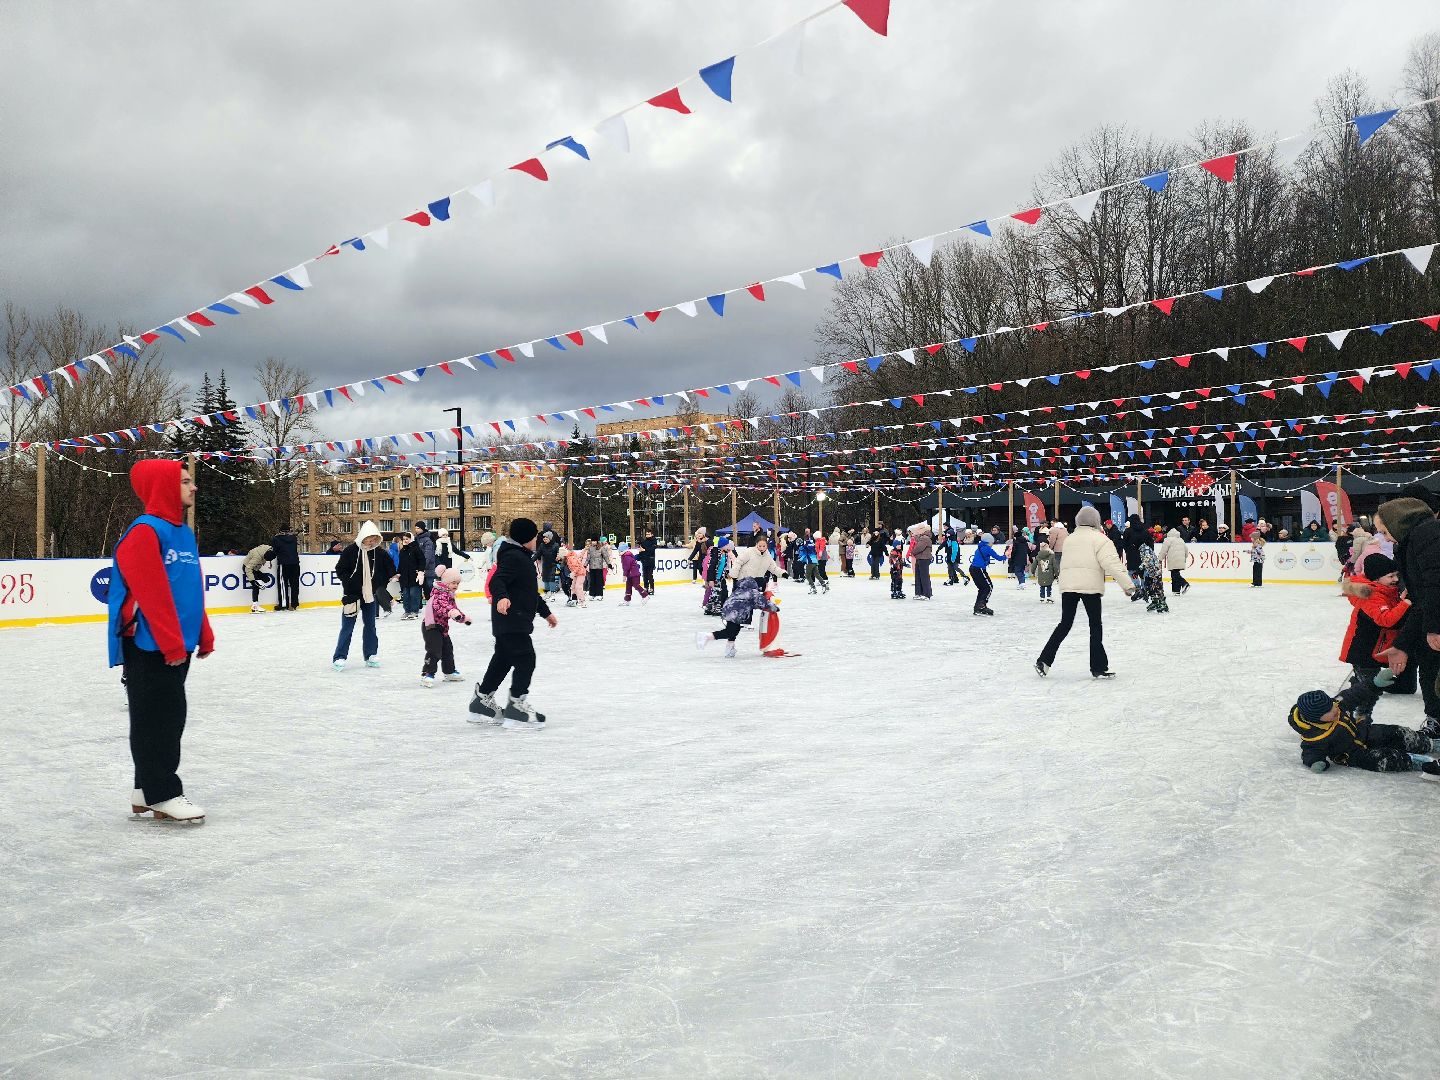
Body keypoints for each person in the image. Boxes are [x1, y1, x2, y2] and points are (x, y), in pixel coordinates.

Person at [110, 460, 214, 823]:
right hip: (149, 645)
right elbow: (151, 595)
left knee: (166, 718)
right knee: (159, 721)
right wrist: (171, 643)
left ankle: (144, 790)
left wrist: (203, 631)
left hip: (175, 644)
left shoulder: (183, 533)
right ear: (163, 487)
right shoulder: (144, 533)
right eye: (185, 481)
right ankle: (163, 793)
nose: (193, 486)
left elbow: (188, 591)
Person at [468, 518, 556, 726]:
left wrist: (546, 613)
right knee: (526, 658)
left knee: (503, 660)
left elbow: (530, 592)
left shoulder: (520, 556)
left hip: (511, 620)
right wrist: (501, 597)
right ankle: (516, 705)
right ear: (526, 538)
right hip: (511, 619)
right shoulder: (514, 556)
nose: (536, 539)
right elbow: (498, 580)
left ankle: (481, 701)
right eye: (534, 536)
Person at [1034, 506, 1134, 679]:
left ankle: (1044, 660)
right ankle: (1098, 667)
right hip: (1090, 587)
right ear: (1096, 521)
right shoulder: (1100, 540)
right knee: (1095, 626)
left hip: (1069, 586)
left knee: (1064, 624)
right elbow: (1112, 564)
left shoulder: (1070, 539)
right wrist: (1128, 585)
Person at [1374, 496, 1440, 736]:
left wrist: (1435, 627)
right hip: (1430, 617)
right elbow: (1421, 600)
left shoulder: (1427, 536)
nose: (1384, 536)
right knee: (1430, 665)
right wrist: (1402, 644)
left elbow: (1436, 583)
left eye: (1384, 530)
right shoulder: (1412, 541)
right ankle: (1436, 720)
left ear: (1398, 522)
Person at [1288, 672, 1437, 777]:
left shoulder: (1337, 705)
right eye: (1328, 711)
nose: (1334, 710)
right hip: (1351, 754)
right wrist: (1316, 762)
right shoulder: (1314, 737)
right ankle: (1413, 762)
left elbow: (1356, 692)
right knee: (1381, 759)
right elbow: (1310, 753)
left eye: (1332, 706)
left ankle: (1429, 744)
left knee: (1393, 732)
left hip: (1363, 732)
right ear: (1316, 718)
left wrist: (1375, 683)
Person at [332, 520, 395, 671]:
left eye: (374, 538)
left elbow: (390, 569)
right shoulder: (351, 551)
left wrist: (378, 583)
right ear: (363, 536)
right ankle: (339, 657)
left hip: (369, 596)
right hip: (352, 596)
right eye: (369, 538)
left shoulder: (379, 552)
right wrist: (349, 584)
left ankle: (371, 654)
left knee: (370, 626)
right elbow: (340, 569)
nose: (372, 541)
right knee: (347, 627)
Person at [1341, 554, 1411, 689]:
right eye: (1391, 576)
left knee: (1370, 683)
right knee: (1369, 689)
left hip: (1374, 648)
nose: (1396, 579)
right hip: (1363, 652)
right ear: (1376, 578)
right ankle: (1361, 708)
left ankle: (1358, 684)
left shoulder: (1386, 591)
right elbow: (1385, 620)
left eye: (1396, 575)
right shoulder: (1371, 596)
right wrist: (1405, 603)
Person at [695, 578, 780, 659]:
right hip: (735, 612)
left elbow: (751, 603)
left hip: (729, 609)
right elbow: (764, 603)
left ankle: (729, 649)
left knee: (734, 630)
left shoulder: (741, 589)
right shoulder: (753, 592)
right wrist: (776, 608)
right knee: (730, 632)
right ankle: (706, 636)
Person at [420, 567, 471, 687]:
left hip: (442, 627)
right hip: (431, 626)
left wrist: (463, 618)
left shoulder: (449, 594)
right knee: (434, 650)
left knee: (447, 650)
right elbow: (442, 607)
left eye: (457, 583)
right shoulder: (439, 594)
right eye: (453, 583)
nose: (456, 585)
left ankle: (449, 672)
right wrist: (452, 613)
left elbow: (455, 610)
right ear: (446, 582)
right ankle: (427, 673)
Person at [969, 531, 1005, 616]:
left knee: (982, 588)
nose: (992, 544)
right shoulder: (987, 548)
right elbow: (998, 558)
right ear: (988, 542)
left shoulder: (979, 547)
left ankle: (978, 607)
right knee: (989, 587)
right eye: (992, 542)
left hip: (973, 569)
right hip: (979, 569)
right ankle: (981, 606)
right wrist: (1006, 556)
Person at [271, 523, 301, 610]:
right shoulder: (294, 538)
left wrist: (268, 557)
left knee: (283, 584)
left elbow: (274, 551)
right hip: (295, 563)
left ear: (280, 531)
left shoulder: (276, 538)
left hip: (283, 563)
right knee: (294, 584)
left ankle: (284, 604)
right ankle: (294, 604)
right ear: (289, 530)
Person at [396, 531, 424, 619]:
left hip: (414, 576)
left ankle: (414, 611)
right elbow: (400, 563)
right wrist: (398, 573)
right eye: (404, 539)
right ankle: (407, 611)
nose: (405, 541)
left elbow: (422, 560)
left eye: (407, 539)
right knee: (406, 595)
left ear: (411, 539)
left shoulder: (416, 548)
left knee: (414, 594)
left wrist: (420, 571)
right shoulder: (402, 551)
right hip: (404, 576)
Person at [242, 543, 274, 613]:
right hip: (248, 568)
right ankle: (255, 606)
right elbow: (248, 569)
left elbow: (271, 554)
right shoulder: (257, 558)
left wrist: (270, 562)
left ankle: (255, 605)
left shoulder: (269, 549)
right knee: (255, 586)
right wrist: (253, 581)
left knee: (266, 579)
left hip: (255, 569)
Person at [1158, 527, 1189, 594]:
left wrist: (1160, 559)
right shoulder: (1180, 539)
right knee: (1175, 573)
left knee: (1175, 574)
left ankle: (1184, 583)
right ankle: (1176, 590)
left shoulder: (1168, 540)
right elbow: (1186, 551)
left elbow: (1163, 550)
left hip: (1173, 559)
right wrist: (1184, 557)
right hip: (1181, 559)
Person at [535, 528, 562, 597]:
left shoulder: (555, 545)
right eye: (544, 539)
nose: (544, 540)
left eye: (546, 539)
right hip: (545, 564)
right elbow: (537, 554)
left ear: (550, 538)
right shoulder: (542, 545)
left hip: (553, 564)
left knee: (551, 579)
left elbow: (560, 553)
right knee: (545, 579)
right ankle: (547, 593)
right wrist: (530, 560)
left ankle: (552, 594)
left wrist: (559, 557)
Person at [910, 523, 934, 599]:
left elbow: (919, 548)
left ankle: (926, 594)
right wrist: (915, 535)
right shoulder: (922, 537)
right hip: (920, 558)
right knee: (918, 576)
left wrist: (912, 552)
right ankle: (919, 593)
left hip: (924, 558)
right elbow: (918, 541)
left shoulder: (925, 538)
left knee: (924, 576)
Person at [563, 543, 589, 608]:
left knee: (578, 586)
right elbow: (580, 555)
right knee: (573, 587)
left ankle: (582, 601)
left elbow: (577, 567)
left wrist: (573, 573)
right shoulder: (569, 557)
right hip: (576, 573)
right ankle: (574, 600)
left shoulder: (571, 558)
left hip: (580, 573)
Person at [639, 529, 658, 593]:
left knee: (650, 575)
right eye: (646, 534)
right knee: (645, 575)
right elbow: (641, 550)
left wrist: (645, 550)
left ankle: (652, 588)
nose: (647, 535)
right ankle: (646, 588)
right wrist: (640, 554)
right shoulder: (644, 541)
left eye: (648, 534)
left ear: (652, 534)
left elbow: (652, 550)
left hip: (651, 560)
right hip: (644, 560)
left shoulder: (654, 541)